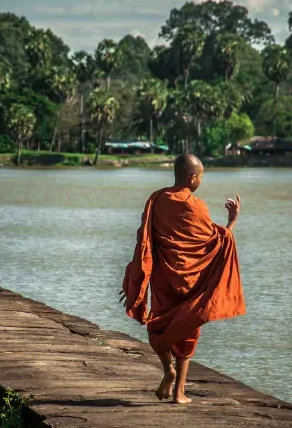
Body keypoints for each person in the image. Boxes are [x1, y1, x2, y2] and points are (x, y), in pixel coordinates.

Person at [120, 154, 245, 404]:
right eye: (201, 176)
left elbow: (145, 240)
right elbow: (215, 243)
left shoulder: (157, 199)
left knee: (157, 327)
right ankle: (179, 393)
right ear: (192, 177)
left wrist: (136, 275)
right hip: (191, 279)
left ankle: (168, 369)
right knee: (188, 331)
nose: (201, 180)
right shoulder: (195, 205)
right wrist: (232, 222)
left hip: (164, 278)